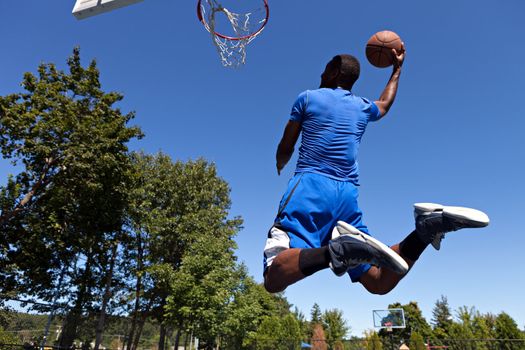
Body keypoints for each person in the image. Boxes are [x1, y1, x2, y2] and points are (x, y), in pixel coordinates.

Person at [263, 45, 489, 294]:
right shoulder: (361, 107)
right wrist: (397, 69)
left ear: (335, 72)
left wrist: (280, 161)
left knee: (273, 278)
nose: (320, 74)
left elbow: (286, 145)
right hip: (346, 197)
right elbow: (385, 103)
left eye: (326, 68)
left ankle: (339, 250)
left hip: (311, 186)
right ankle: (426, 230)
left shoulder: (308, 97)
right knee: (378, 281)